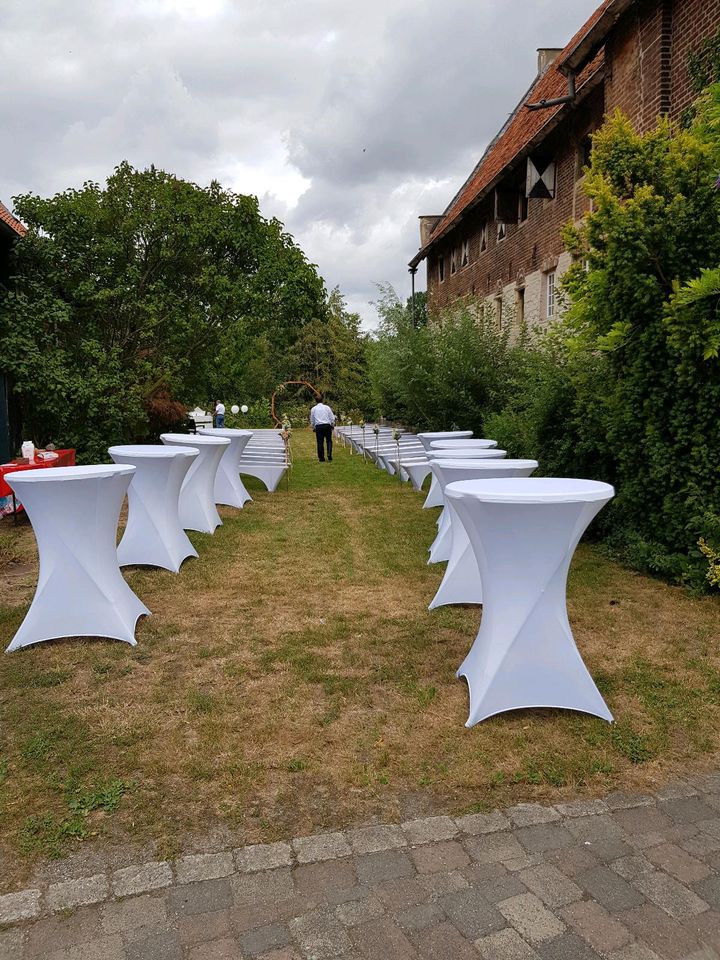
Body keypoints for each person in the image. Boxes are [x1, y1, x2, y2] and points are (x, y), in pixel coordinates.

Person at [310, 394, 336, 462]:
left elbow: (312, 419)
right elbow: (331, 417)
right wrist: (332, 424)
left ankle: (321, 458)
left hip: (319, 426)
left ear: (315, 401)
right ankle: (329, 454)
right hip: (327, 425)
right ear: (322, 400)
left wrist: (313, 426)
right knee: (329, 440)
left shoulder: (313, 409)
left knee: (320, 442)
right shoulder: (327, 407)